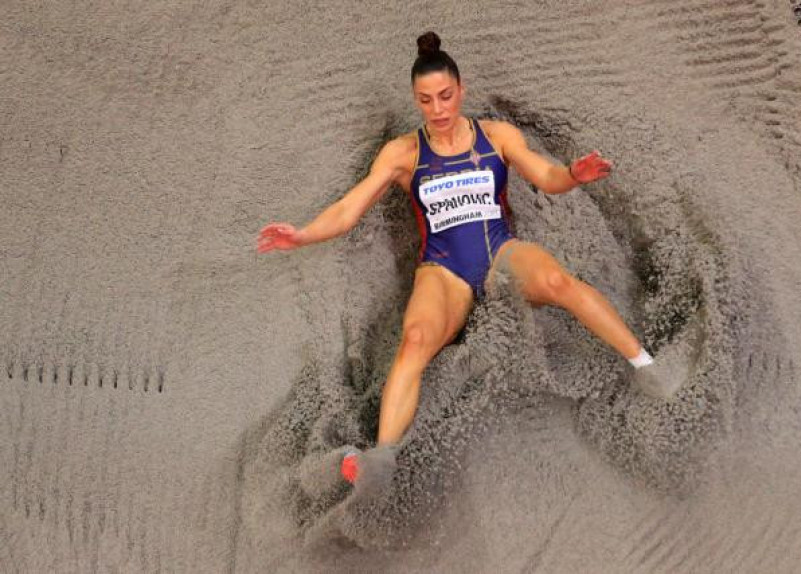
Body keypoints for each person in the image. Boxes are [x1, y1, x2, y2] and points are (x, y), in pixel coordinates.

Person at [257, 31, 686, 487]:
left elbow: (545, 175)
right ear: (416, 100)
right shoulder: (402, 153)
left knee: (560, 283)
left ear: (461, 90)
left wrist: (573, 175)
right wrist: (303, 235)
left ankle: (647, 367)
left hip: (501, 252)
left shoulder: (495, 136)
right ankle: (381, 459)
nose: (439, 109)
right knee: (416, 338)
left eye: (445, 96)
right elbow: (348, 209)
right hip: (445, 271)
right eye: (426, 100)